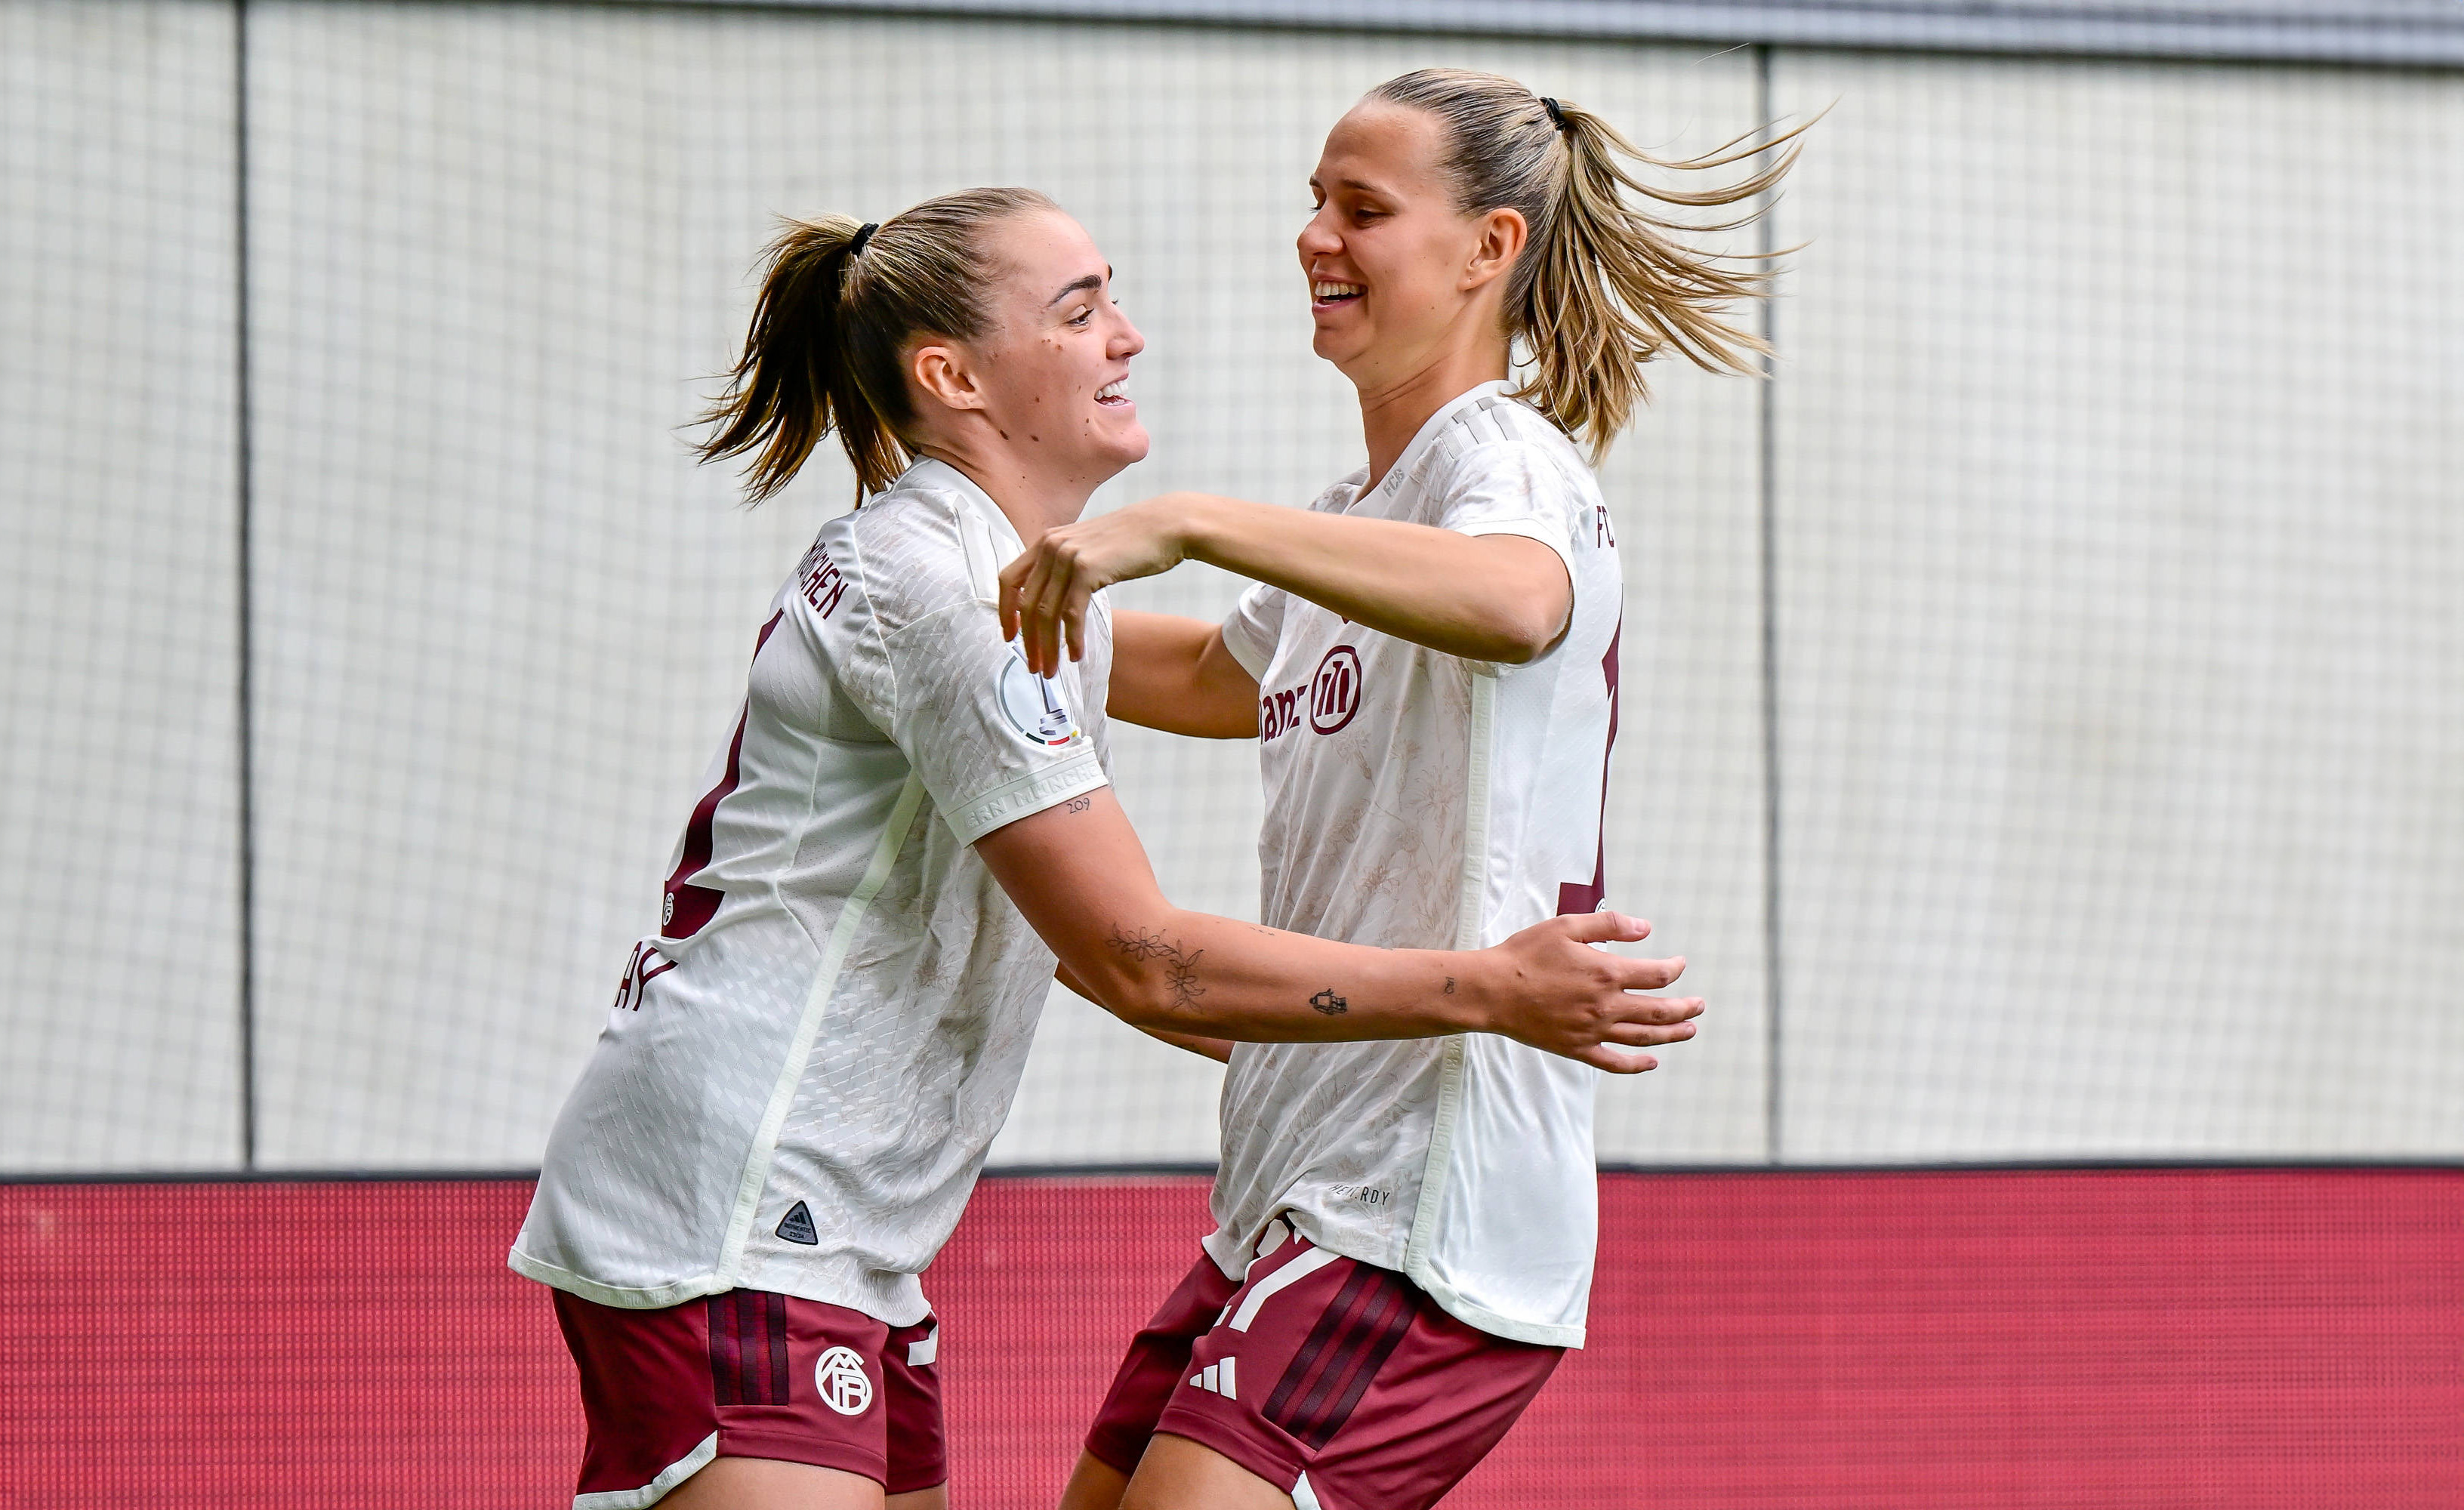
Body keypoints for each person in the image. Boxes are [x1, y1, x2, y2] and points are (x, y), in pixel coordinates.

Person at [510, 185, 1704, 1510]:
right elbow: (1138, 957)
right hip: (744, 1210)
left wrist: (1362, 1044)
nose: (1127, 336)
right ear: (953, 374)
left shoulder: (1012, 588)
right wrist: (1483, 991)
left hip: (831, 1225)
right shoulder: (956, 597)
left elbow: (1191, 732)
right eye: (1080, 312)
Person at [999, 72, 1803, 1510]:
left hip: (1427, 1205)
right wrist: (969, 599)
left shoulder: (1505, 461)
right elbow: (1207, 679)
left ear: (1489, 249)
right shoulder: (1357, 520)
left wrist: (1186, 521)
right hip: (1294, 1190)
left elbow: (1516, 603)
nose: (1316, 236)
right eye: (1314, 200)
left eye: (1362, 209)